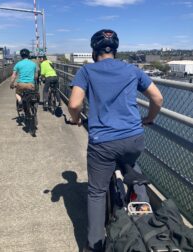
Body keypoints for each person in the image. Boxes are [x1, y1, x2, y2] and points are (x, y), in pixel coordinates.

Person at [68, 29, 163, 252]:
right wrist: (148, 118)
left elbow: (74, 105)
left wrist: (76, 120)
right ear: (116, 49)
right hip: (134, 138)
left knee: (96, 192)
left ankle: (94, 246)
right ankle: (147, 223)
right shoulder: (132, 69)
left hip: (103, 143)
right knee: (132, 165)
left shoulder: (86, 71)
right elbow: (158, 97)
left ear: (94, 50)